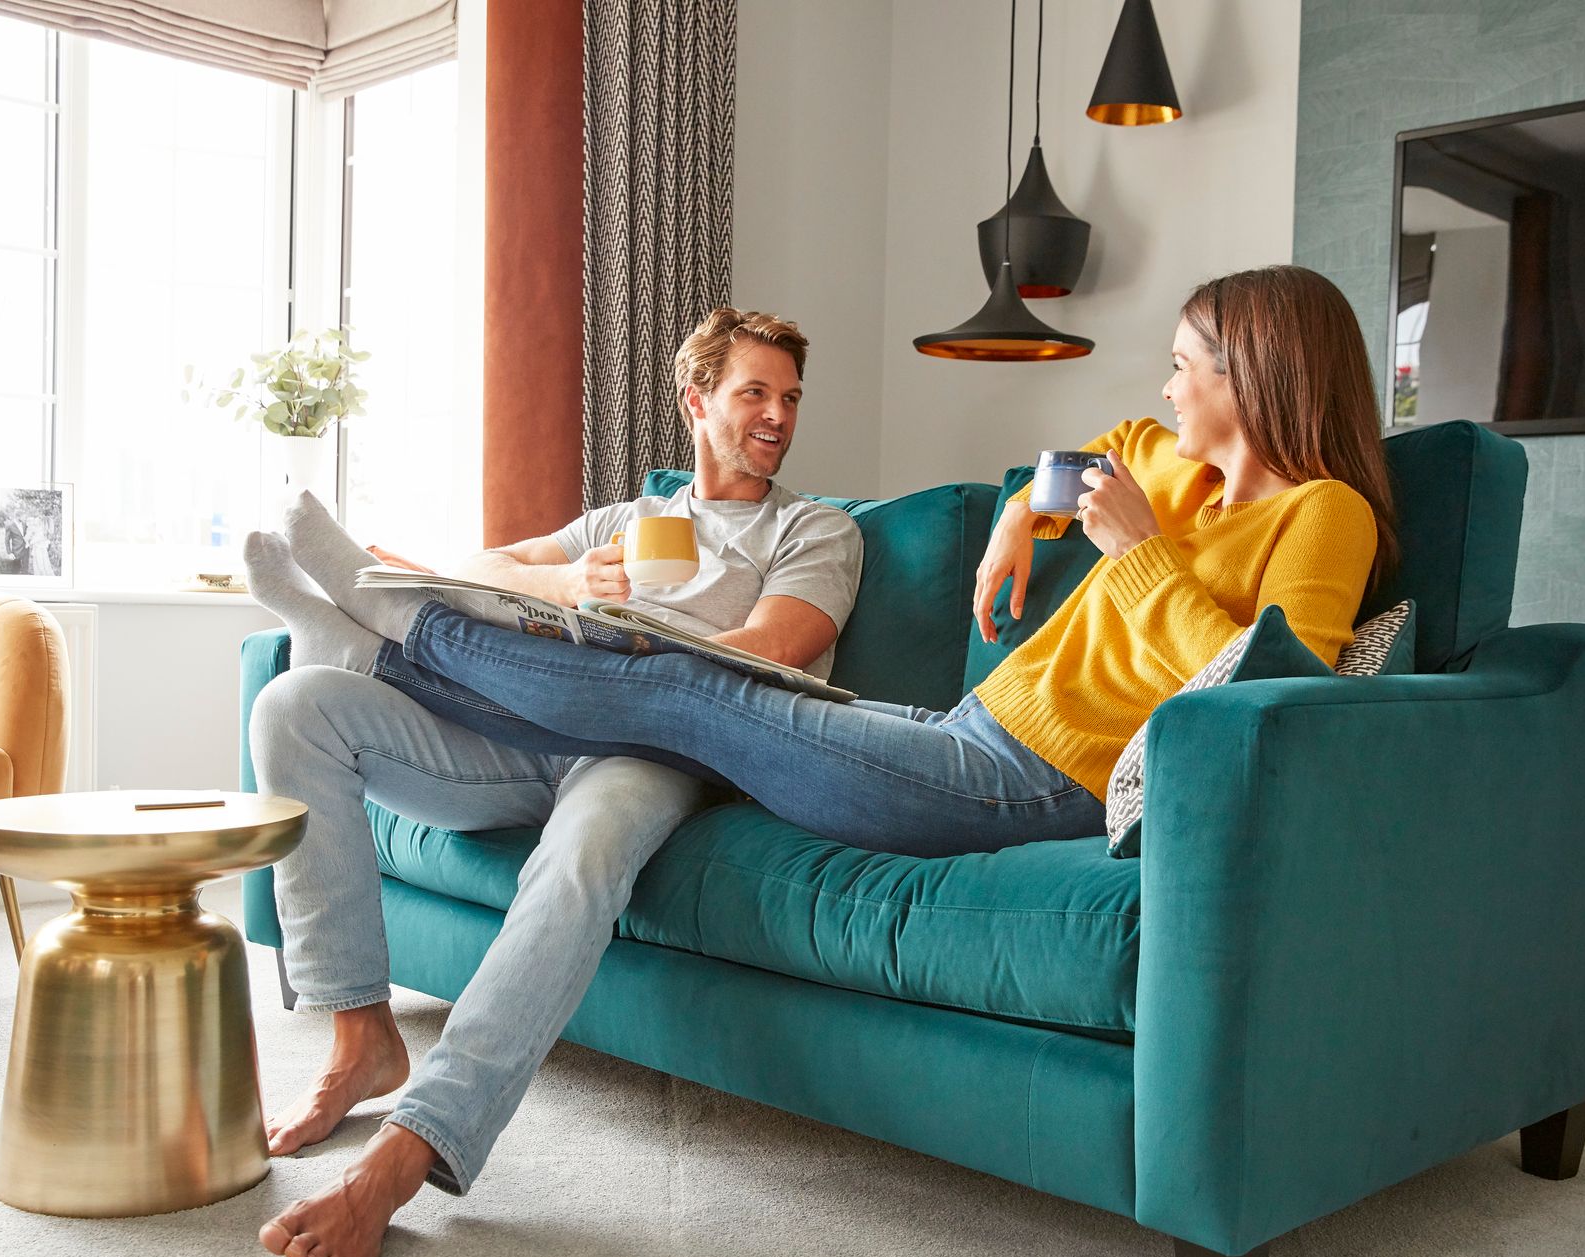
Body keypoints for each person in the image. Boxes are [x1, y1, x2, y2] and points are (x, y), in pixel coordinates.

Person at [293, 264, 1399, 864]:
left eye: (1180, 368)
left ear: (1246, 376)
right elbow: (1081, 461)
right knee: (672, 695)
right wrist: (1020, 514)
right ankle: (390, 633)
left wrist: (1145, 562)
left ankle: (393, 625)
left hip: (1030, 785)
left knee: (686, 681)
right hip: (967, 729)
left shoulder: (1325, 516)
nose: (1162, 390)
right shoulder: (1173, 462)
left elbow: (1276, 701)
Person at [243, 307, 863, 1257]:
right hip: (533, 731)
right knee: (295, 704)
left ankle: (403, 1157)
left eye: (788, 397)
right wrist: (572, 581)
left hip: (656, 742)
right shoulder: (622, 522)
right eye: (753, 392)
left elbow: (778, 649)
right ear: (695, 400)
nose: (777, 415)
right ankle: (361, 1036)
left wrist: (631, 656)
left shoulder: (811, 526)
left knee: (577, 862)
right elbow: (481, 567)